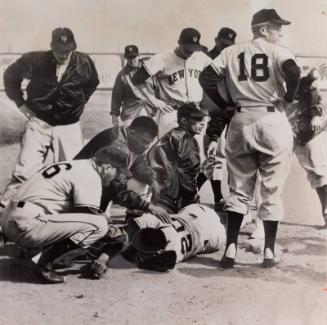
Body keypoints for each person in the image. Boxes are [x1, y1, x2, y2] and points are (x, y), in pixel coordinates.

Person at [200, 9, 301, 268]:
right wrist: (288, 99)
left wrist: (225, 104)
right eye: (277, 27)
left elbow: (206, 76)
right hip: (271, 119)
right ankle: (268, 252)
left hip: (240, 119)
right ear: (263, 28)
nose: (280, 31)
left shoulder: (231, 51)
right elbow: (293, 72)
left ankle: (231, 250)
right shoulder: (278, 50)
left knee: (239, 190)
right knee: (271, 189)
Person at [0, 144, 131, 284]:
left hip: (9, 219)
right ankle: (43, 264)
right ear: (107, 168)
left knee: (83, 221)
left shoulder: (74, 165)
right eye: (118, 172)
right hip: (26, 225)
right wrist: (114, 233)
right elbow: (89, 215)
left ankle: (32, 249)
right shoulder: (90, 175)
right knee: (100, 225)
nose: (118, 177)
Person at [0, 27, 99, 209]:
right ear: (51, 47)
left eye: (68, 50)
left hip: (69, 125)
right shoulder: (36, 60)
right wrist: (20, 103)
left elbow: (92, 84)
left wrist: (79, 102)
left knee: (73, 170)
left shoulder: (84, 62)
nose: (64, 55)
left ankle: (70, 212)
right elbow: (10, 76)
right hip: (40, 122)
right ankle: (5, 209)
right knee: (25, 171)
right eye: (60, 51)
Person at [90, 204, 226, 278]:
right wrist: (103, 259)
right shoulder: (157, 223)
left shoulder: (173, 249)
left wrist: (104, 258)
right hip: (197, 213)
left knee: (230, 222)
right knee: (232, 218)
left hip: (213, 237)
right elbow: (125, 235)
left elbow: (165, 262)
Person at [132, 27, 211, 137]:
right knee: (168, 150)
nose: (190, 52)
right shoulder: (162, 58)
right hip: (172, 112)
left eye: (193, 49)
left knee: (195, 151)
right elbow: (137, 78)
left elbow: (217, 76)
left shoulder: (202, 57)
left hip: (195, 113)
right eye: (187, 49)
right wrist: (154, 101)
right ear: (179, 43)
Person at [74, 116, 163, 213]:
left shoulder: (128, 136)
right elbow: (116, 190)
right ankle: (96, 212)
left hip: (99, 181)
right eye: (144, 141)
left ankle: (132, 221)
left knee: (143, 184)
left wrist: (152, 180)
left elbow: (138, 160)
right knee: (100, 222)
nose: (147, 147)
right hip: (82, 187)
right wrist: (147, 206)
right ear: (132, 132)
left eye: (149, 143)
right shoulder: (117, 145)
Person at [198, 27, 237, 213]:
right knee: (210, 157)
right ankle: (215, 196)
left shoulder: (231, 58)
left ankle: (214, 196)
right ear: (216, 39)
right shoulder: (205, 58)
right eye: (222, 43)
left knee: (220, 156)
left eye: (228, 45)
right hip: (207, 111)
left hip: (224, 112)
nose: (224, 47)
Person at [147, 103, 207, 213]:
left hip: (159, 192)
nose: (202, 123)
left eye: (202, 120)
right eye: (197, 120)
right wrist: (192, 196)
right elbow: (187, 172)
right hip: (173, 197)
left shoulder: (171, 134)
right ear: (184, 121)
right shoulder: (186, 139)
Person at [288, 69, 327, 228]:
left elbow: (314, 82)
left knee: (319, 173)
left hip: (308, 131)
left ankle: (326, 211)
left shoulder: (308, 81)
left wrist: (315, 113)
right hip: (288, 127)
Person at [110, 45, 158, 127]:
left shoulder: (150, 69)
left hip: (150, 111)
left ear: (138, 56)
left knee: (150, 138)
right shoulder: (122, 75)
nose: (132, 60)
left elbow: (159, 89)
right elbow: (116, 96)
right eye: (129, 58)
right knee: (131, 138)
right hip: (131, 113)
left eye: (134, 57)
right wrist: (114, 115)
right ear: (125, 58)